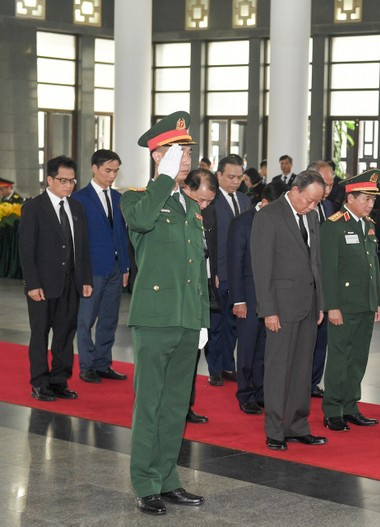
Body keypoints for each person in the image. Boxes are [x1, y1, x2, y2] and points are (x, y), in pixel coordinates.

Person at [121, 111, 208, 515]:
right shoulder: (138, 197)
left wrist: (203, 319)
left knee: (175, 405)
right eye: (176, 151)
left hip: (187, 319)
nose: (186, 158)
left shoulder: (189, 207)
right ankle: (145, 482)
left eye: (187, 151)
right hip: (155, 317)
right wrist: (161, 180)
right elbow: (140, 222)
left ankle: (168, 477)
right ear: (158, 156)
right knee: (150, 403)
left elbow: (199, 270)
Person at [251, 169, 327, 451]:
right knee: (278, 369)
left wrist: (321, 302)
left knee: (302, 368)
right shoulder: (268, 216)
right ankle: (274, 429)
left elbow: (316, 261)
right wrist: (268, 310)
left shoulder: (312, 216)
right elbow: (262, 267)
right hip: (280, 307)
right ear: (295, 190)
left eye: (317, 202)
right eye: (309, 200)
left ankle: (297, 425)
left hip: (307, 304)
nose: (312, 206)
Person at [20, 155, 92, 402]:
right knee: (40, 334)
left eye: (72, 181)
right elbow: (26, 250)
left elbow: (82, 247)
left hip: (71, 284)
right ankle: (40, 383)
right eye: (63, 180)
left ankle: (59, 380)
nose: (69, 185)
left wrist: (86, 279)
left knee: (65, 334)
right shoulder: (34, 207)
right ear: (49, 179)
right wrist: (32, 284)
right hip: (42, 285)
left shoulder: (76, 207)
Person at [321, 169, 380, 432]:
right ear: (350, 197)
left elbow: (374, 266)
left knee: (358, 357)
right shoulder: (334, 225)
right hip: (343, 305)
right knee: (339, 356)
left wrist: (377, 300)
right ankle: (333, 409)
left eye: (373, 200)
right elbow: (328, 269)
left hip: (365, 304)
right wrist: (332, 305)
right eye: (366, 199)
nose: (371, 204)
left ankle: (351, 405)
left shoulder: (368, 225)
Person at [71, 149, 130, 383]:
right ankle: (86, 366)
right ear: (94, 168)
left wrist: (125, 267)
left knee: (109, 319)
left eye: (116, 171)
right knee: (85, 319)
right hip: (92, 270)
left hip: (115, 268)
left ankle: (103, 363)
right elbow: (77, 241)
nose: (112, 175)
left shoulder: (118, 198)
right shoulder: (79, 199)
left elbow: (121, 235)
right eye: (108, 170)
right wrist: (81, 273)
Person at [228, 184, 281, 414]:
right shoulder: (242, 222)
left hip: (271, 297)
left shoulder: (279, 221)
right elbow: (234, 264)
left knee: (265, 348)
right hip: (248, 297)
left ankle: (260, 391)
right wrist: (238, 299)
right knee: (248, 347)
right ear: (266, 202)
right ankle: (245, 393)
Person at [205, 154, 251, 386]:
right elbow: (207, 241)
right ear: (219, 175)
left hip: (239, 275)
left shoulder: (245, 200)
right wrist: (210, 271)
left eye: (239, 177)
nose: (235, 181)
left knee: (233, 324)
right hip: (218, 273)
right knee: (215, 324)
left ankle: (227, 365)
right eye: (230, 177)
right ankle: (214, 368)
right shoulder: (210, 202)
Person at [182, 167, 219, 424]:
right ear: (187, 189)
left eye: (209, 201)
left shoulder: (209, 212)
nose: (204, 205)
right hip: (179, 290)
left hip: (201, 287)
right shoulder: (174, 212)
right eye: (201, 199)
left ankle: (186, 405)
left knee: (193, 351)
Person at [310, 160, 338, 399]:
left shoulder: (330, 207)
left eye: (331, 184)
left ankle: (313, 381)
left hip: (326, 282)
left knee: (322, 338)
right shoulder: (303, 206)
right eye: (324, 184)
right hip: (306, 282)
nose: (328, 189)